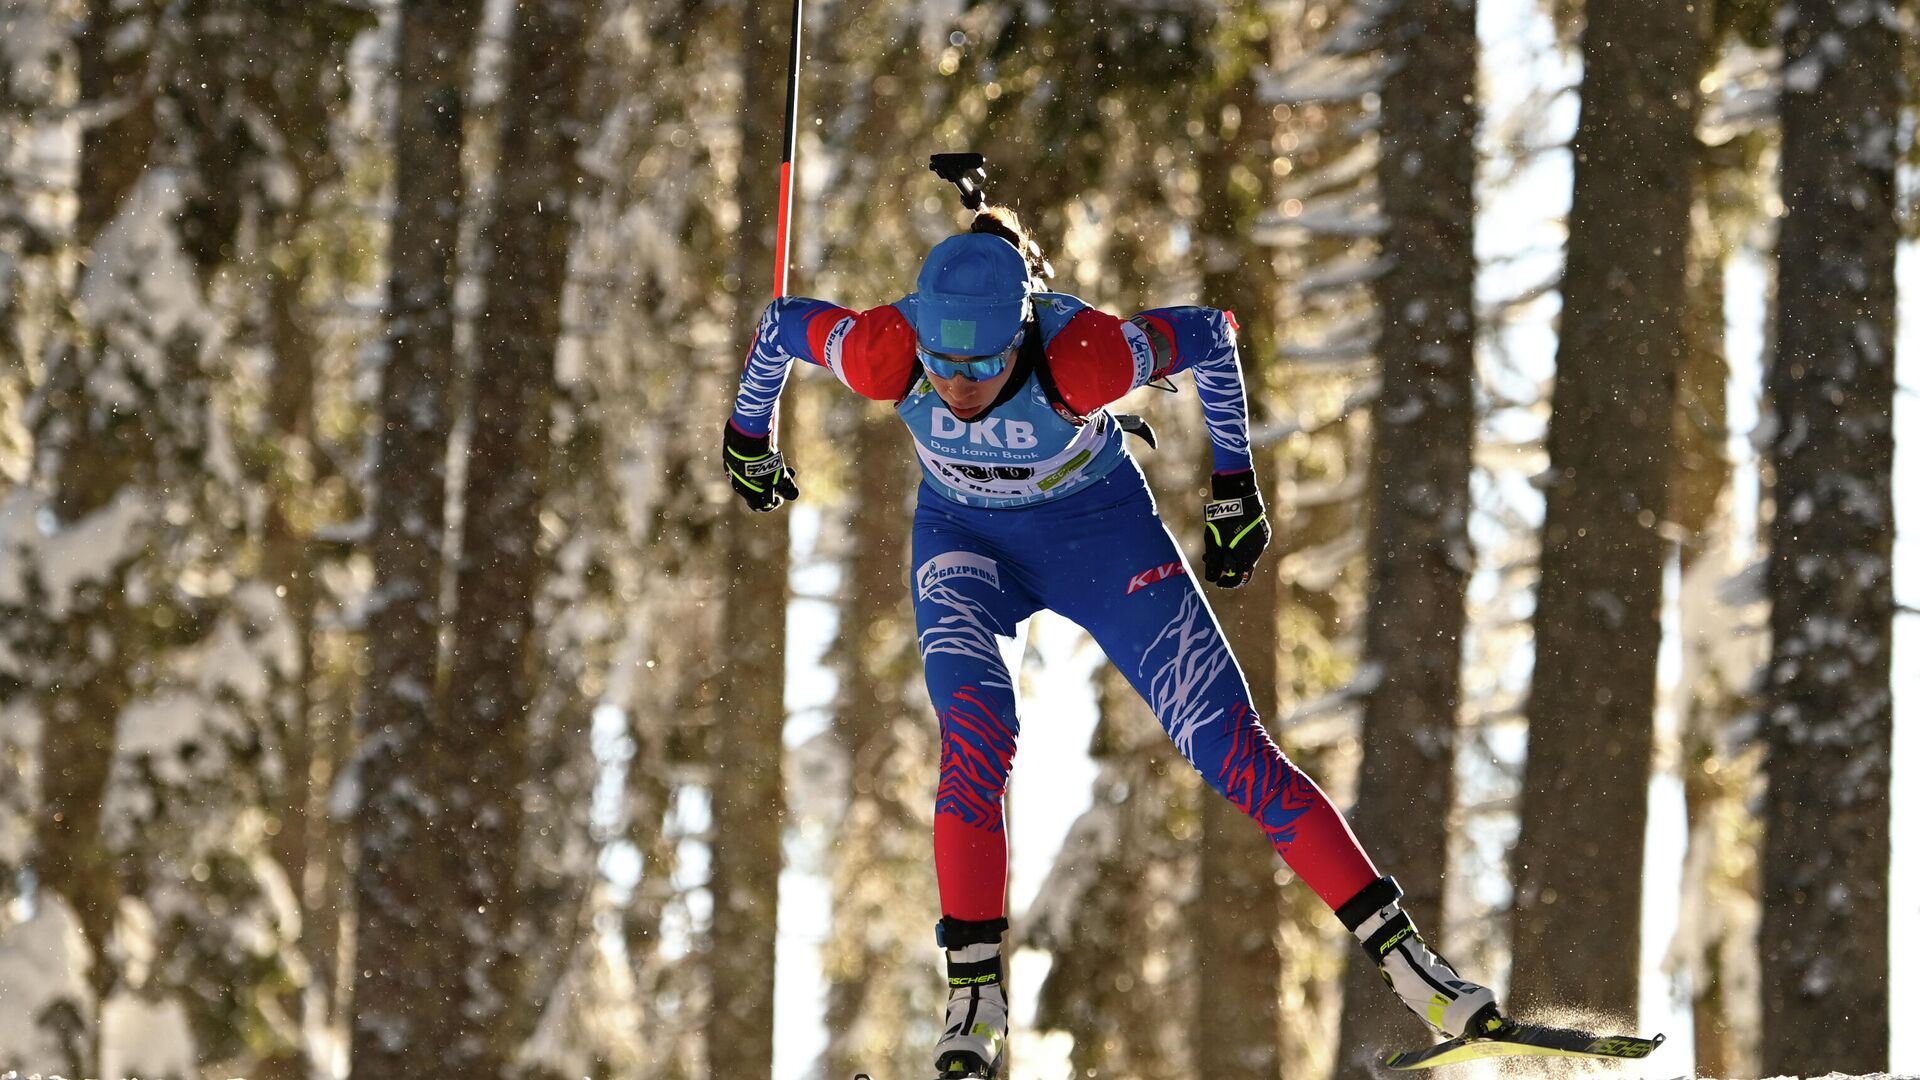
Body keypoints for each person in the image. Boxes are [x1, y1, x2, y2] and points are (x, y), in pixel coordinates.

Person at [723, 207, 1504, 1079]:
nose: (960, 386)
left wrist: (1235, 487)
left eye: (983, 364)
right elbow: (779, 325)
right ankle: (975, 1001)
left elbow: (1212, 334)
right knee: (976, 740)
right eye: (944, 365)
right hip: (966, 543)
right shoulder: (884, 351)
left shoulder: (1084, 356)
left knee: (1234, 751)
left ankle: (1413, 969)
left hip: (1102, 541)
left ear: (1021, 333)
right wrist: (747, 438)